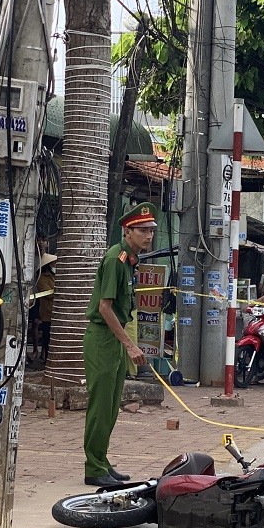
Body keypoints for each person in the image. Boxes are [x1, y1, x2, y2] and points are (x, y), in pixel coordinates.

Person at [82, 202, 155, 487]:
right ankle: (94, 465)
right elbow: (104, 307)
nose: (148, 236)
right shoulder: (116, 259)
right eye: (143, 230)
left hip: (113, 338)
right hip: (103, 338)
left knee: (111, 406)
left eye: (151, 230)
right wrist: (130, 345)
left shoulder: (128, 260)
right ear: (127, 231)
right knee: (100, 406)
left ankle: (101, 460)